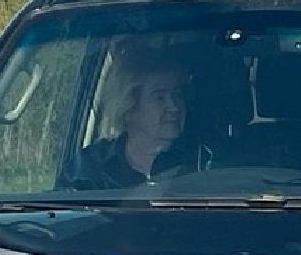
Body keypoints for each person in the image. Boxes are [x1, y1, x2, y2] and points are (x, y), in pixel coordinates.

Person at [62, 46, 215, 190]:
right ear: (128, 107)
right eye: (160, 97)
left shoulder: (206, 160)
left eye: (177, 94)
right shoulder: (87, 168)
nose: (174, 107)